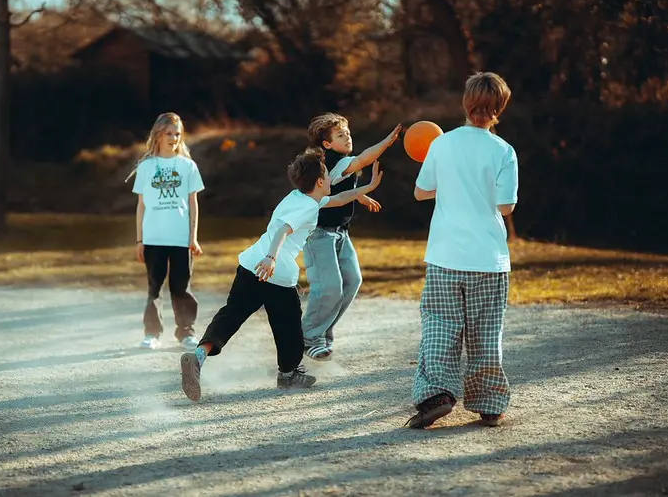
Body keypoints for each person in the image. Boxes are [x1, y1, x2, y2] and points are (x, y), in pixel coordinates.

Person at [180, 148, 384, 401]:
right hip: (274, 271)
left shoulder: (298, 197)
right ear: (320, 181)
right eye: (328, 177)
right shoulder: (308, 207)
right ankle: (288, 375)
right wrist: (272, 258)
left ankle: (199, 356)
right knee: (288, 327)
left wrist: (368, 188)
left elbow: (340, 198)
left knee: (232, 314)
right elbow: (284, 230)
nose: (331, 180)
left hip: (250, 264)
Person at [406, 72, 519, 429]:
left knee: (440, 326)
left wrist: (452, 188)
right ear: (500, 107)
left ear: (465, 103)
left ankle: (438, 395)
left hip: (444, 257)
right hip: (489, 259)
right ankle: (489, 404)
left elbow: (421, 192)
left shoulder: (442, 144)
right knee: (486, 332)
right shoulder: (504, 151)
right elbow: (505, 206)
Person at [302, 114, 401, 361]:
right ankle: (309, 338)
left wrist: (360, 195)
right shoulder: (329, 163)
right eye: (340, 135)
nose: (347, 137)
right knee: (329, 288)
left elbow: (339, 189)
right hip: (319, 235)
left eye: (348, 133)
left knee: (353, 281)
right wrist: (387, 142)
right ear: (326, 144)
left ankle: (322, 331)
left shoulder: (342, 161)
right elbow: (364, 159)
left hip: (340, 234)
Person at [128, 112, 204, 352]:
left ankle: (186, 333)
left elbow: (193, 203)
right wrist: (140, 239)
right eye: (169, 133)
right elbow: (141, 206)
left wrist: (193, 237)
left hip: (181, 238)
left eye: (177, 134)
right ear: (158, 135)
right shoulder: (147, 166)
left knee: (181, 288)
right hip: (153, 238)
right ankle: (152, 334)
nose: (174, 138)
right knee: (154, 288)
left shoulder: (187, 166)